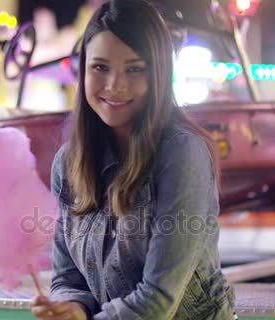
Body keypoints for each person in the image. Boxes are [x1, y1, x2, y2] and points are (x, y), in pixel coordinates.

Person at [31, 0, 235, 319]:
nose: (115, 85)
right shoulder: (68, 163)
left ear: (159, 75)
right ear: (82, 70)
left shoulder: (182, 152)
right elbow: (67, 278)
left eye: (134, 68)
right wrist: (71, 307)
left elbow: (159, 299)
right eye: (100, 67)